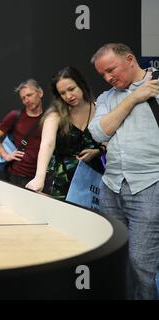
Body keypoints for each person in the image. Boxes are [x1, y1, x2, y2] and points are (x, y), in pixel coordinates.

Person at [88, 43, 159, 300]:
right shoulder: (107, 97)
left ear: (129, 59)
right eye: (103, 75)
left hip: (150, 183)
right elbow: (97, 132)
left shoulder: (157, 86)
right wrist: (134, 98)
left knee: (142, 264)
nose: (108, 78)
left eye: (111, 70)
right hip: (112, 186)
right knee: (115, 259)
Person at [26, 67, 104, 199]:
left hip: (92, 182)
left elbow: (110, 138)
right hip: (59, 182)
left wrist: (98, 151)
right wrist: (39, 178)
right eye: (62, 93)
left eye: (71, 89)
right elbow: (47, 145)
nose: (68, 96)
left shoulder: (100, 109)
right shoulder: (55, 115)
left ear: (81, 84)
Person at [0, 79, 43, 187]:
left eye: (29, 95)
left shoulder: (50, 118)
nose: (26, 100)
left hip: (40, 176)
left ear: (40, 93)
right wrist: (5, 155)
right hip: (18, 175)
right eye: (23, 98)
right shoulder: (15, 115)